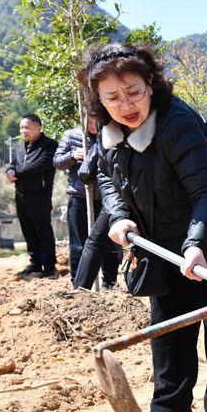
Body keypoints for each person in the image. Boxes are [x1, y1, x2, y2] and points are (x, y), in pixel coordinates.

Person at [78, 42, 207, 412]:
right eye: (112, 97)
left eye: (133, 92)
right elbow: (106, 179)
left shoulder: (177, 123)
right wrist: (120, 214)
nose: (125, 104)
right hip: (161, 227)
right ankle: (171, 409)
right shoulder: (108, 133)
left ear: (151, 84)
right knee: (168, 310)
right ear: (99, 99)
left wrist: (198, 245)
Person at [6, 114, 58, 278]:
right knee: (28, 230)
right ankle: (35, 264)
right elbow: (13, 163)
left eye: (27, 127)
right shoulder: (21, 146)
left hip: (39, 195)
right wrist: (9, 171)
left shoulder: (49, 145)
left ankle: (49, 267)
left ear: (38, 127)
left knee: (43, 230)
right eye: (21, 128)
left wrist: (17, 174)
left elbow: (38, 165)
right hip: (21, 194)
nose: (23, 131)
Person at [73, 116, 122, 290]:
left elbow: (88, 172)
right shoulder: (109, 126)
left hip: (119, 193)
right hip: (118, 193)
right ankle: (80, 292)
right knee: (96, 242)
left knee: (95, 242)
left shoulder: (109, 122)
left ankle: (81, 290)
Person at [54, 114, 100, 281]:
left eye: (97, 118)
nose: (93, 123)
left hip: (105, 197)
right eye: (90, 119)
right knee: (78, 244)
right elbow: (57, 161)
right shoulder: (71, 135)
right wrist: (72, 156)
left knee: (109, 243)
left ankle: (110, 280)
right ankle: (78, 280)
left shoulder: (111, 134)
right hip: (79, 195)